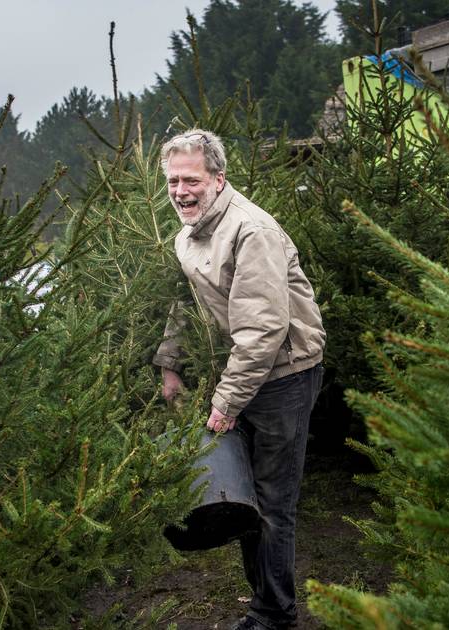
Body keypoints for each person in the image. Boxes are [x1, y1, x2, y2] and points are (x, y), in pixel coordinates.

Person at [153, 128, 326, 630]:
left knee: (273, 503)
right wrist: (171, 363)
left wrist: (226, 402)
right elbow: (187, 302)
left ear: (218, 179)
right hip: (250, 373)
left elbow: (264, 330)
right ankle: (265, 602)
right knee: (247, 496)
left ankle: (273, 615)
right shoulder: (189, 231)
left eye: (191, 180)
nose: (180, 192)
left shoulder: (253, 232)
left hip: (285, 375)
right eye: (172, 181)